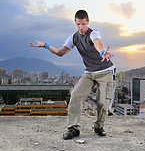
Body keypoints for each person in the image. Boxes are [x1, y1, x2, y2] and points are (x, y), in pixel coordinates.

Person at [30, 10, 115, 140]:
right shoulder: (73, 38)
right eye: (78, 24)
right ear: (75, 23)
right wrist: (45, 45)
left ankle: (99, 126)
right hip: (89, 73)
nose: (81, 27)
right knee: (75, 95)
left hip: (105, 72)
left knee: (103, 102)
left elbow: (98, 42)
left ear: (88, 22)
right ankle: (73, 128)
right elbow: (60, 52)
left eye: (83, 24)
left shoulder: (93, 33)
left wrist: (103, 51)